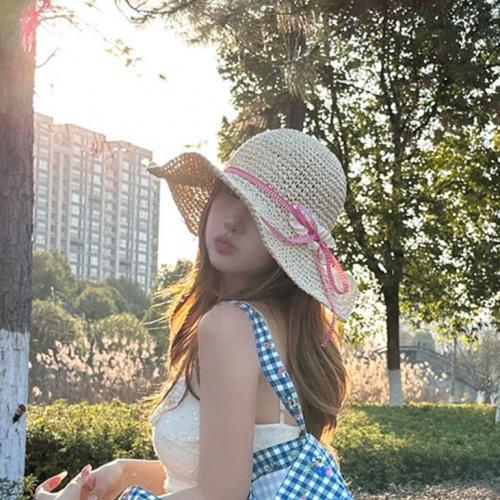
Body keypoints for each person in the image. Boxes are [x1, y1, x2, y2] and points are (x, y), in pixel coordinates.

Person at [36, 128, 359, 499]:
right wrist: (124, 472)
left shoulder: (231, 326)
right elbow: (231, 476)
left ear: (291, 245)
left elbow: (220, 496)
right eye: (231, 193)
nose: (233, 220)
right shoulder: (288, 328)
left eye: (261, 215)